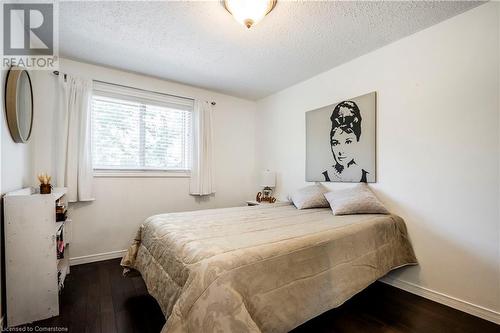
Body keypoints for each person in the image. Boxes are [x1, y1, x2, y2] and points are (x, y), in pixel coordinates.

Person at [322, 100, 369, 182]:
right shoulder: (323, 177)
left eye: (348, 142)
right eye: (335, 143)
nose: (341, 151)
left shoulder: (367, 177)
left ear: (357, 141)